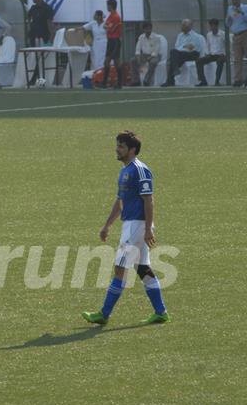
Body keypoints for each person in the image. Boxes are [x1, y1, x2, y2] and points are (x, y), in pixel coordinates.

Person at [82, 130, 169, 325]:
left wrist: (148, 228)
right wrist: (107, 225)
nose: (117, 149)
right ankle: (161, 312)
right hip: (130, 225)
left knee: (120, 267)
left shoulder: (140, 170)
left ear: (132, 149)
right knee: (143, 268)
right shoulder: (124, 171)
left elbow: (149, 200)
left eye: (121, 146)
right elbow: (120, 201)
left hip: (137, 226)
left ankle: (103, 314)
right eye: (117, 145)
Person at [161, 19, 203, 87]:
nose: (182, 27)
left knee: (173, 57)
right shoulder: (180, 35)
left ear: (190, 26)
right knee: (173, 53)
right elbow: (177, 46)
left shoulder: (196, 36)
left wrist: (183, 47)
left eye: (184, 26)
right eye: (182, 25)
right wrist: (184, 47)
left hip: (193, 54)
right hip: (181, 54)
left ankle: (170, 80)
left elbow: (192, 48)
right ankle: (174, 72)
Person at [26, 0, 55, 85]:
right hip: (33, 36)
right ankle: (34, 78)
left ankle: (40, 79)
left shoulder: (47, 8)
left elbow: (49, 23)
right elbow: (29, 19)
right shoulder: (33, 8)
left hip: (43, 36)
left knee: (42, 59)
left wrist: (51, 37)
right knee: (34, 58)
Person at [226, 0, 247, 87]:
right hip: (235, 35)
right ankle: (238, 79)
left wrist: (241, 12)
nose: (234, 1)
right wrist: (228, 20)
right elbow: (228, 23)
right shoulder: (230, 9)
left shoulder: (245, 8)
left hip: (245, 34)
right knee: (237, 59)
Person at [129, 21, 161, 86]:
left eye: (149, 29)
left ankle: (147, 80)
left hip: (154, 55)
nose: (148, 30)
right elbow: (138, 49)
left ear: (151, 29)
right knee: (133, 60)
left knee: (153, 62)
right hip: (144, 55)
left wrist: (150, 57)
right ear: (144, 29)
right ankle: (136, 81)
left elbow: (156, 51)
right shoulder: (141, 37)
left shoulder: (156, 37)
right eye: (146, 29)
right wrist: (138, 57)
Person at [196, 18, 226, 87]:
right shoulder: (209, 34)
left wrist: (224, 54)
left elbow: (227, 46)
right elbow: (207, 45)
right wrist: (207, 53)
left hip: (221, 55)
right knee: (199, 61)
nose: (212, 28)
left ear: (217, 26)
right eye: (211, 26)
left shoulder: (222, 34)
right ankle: (203, 81)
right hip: (212, 55)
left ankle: (217, 81)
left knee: (219, 61)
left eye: (213, 26)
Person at [101, 0, 123, 89]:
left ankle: (119, 83)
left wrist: (107, 26)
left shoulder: (116, 16)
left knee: (116, 61)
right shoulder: (110, 16)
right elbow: (105, 26)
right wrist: (107, 26)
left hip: (115, 41)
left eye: (107, 5)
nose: (107, 7)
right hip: (110, 41)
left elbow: (111, 28)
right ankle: (104, 82)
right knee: (106, 61)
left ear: (110, 6)